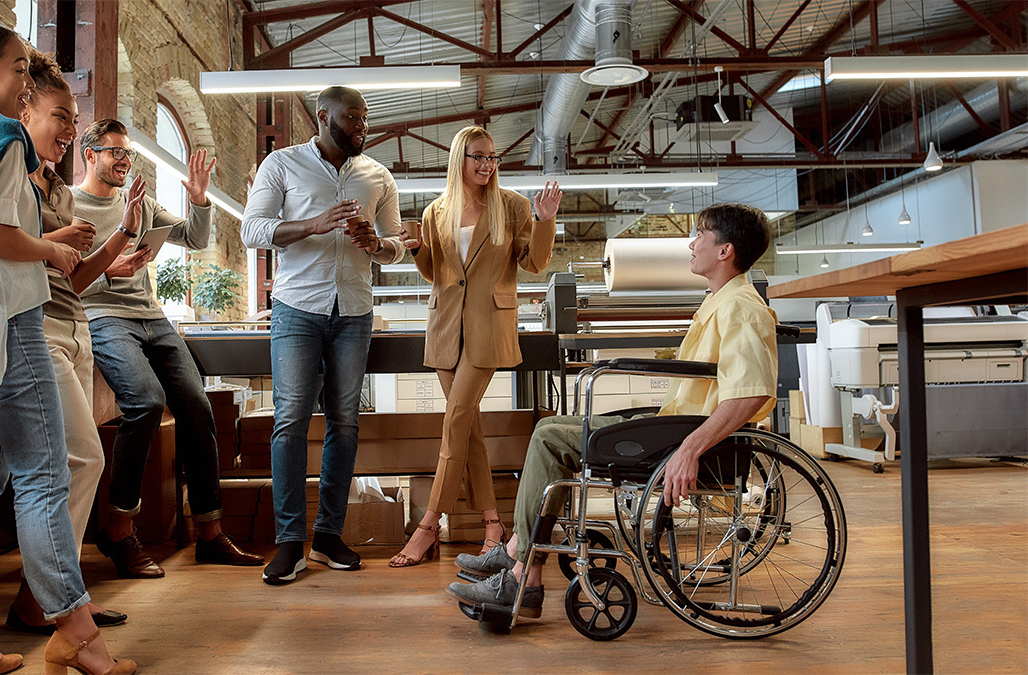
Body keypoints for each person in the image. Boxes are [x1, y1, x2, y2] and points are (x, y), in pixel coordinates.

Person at [0, 20, 133, 675]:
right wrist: (54, 247)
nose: (23, 85)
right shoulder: (2, 136)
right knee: (45, 477)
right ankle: (75, 631)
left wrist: (45, 237)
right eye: (15, 71)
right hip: (8, 318)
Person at [446, 203, 777, 620]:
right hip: (672, 426)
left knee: (549, 436)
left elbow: (750, 395)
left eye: (700, 235)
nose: (692, 244)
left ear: (725, 250)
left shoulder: (741, 308)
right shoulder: (720, 301)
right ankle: (518, 553)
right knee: (553, 429)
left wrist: (690, 450)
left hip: (682, 438)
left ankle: (522, 574)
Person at [71, 118, 264, 578]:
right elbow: (61, 279)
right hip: (102, 314)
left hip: (152, 317)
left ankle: (210, 533)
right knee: (145, 401)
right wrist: (106, 271)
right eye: (114, 151)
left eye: (128, 153)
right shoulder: (69, 205)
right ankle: (118, 528)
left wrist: (199, 199)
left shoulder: (139, 201)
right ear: (89, 154)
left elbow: (194, 239)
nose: (123, 160)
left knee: (197, 406)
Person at [4, 46, 149, 634]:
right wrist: (57, 237)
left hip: (74, 326)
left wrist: (119, 240)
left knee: (76, 462)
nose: (68, 128)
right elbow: (6, 247)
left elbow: (75, 275)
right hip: (33, 329)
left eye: (71, 117)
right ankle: (53, 597)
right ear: (25, 112)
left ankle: (52, 595)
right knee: (82, 460)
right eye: (60, 116)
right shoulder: (9, 175)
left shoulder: (57, 190)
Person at [241, 86, 405, 585]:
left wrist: (378, 243)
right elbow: (252, 230)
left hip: (354, 312)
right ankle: (289, 542)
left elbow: (399, 245)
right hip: (296, 310)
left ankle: (329, 535)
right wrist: (312, 224)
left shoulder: (378, 175)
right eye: (352, 118)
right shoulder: (282, 164)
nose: (362, 127)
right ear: (323, 117)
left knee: (345, 423)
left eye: (365, 119)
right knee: (290, 421)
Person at [388, 126, 561, 568]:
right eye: (478, 156)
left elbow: (535, 263)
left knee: (456, 417)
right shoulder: (435, 211)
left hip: (489, 327)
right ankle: (492, 524)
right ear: (458, 159)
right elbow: (435, 272)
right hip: (445, 328)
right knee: (470, 429)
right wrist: (415, 248)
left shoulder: (513, 207)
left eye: (492, 157)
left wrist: (545, 221)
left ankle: (428, 525)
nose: (487, 165)